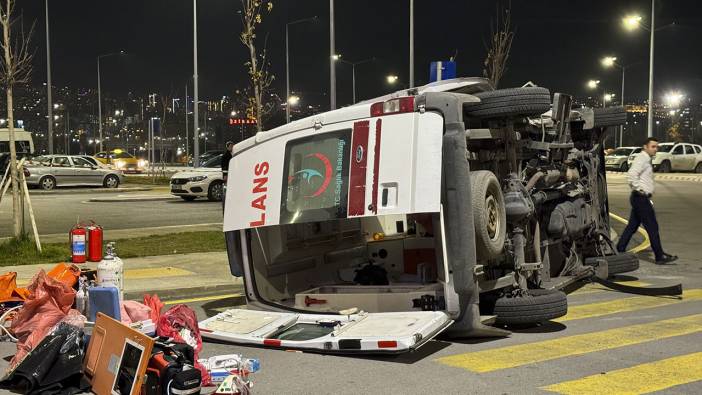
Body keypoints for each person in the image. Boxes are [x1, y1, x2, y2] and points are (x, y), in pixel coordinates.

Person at [616, 137, 678, 265]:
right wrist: (640, 189)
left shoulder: (646, 159)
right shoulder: (642, 158)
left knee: (632, 226)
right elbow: (632, 174)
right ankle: (659, 256)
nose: (656, 149)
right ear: (645, 147)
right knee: (652, 227)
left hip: (640, 198)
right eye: (653, 146)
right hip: (640, 198)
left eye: (657, 147)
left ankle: (619, 249)